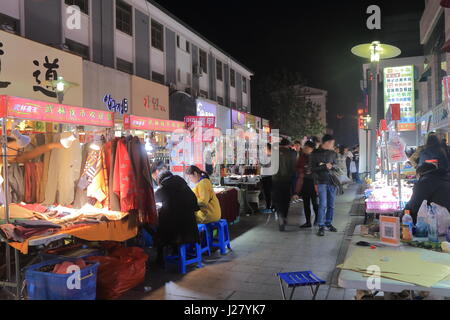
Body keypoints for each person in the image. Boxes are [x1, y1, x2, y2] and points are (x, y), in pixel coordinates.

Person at [154, 171, 200, 265]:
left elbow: (155, 199)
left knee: (159, 231)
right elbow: (195, 205)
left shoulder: (164, 187)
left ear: (161, 180)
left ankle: (160, 260)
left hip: (174, 231)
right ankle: (176, 250)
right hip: (190, 228)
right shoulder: (185, 186)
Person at [310, 134, 338, 236]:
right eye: (332, 143)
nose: (333, 145)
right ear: (327, 143)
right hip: (321, 182)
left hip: (332, 181)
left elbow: (336, 165)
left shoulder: (333, 153)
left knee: (331, 205)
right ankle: (321, 225)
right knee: (323, 204)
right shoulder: (315, 153)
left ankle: (328, 223)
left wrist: (332, 166)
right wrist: (325, 166)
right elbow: (312, 169)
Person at [272, 138, 297, 232]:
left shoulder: (274, 153)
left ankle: (280, 215)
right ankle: (284, 216)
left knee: (277, 200)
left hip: (276, 180)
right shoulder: (291, 154)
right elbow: (294, 168)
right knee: (286, 200)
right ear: (288, 145)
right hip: (287, 180)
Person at [294, 141, 319, 228]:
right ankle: (308, 221)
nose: (304, 149)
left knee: (315, 202)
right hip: (304, 182)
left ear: (311, 149)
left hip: (313, 182)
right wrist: (302, 170)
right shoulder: (302, 157)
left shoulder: (316, 157)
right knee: (306, 203)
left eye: (306, 147)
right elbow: (297, 167)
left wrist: (312, 170)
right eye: (304, 147)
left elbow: (319, 169)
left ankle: (317, 219)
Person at [260, 143, 273, 213]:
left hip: (268, 176)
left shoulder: (270, 156)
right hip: (268, 175)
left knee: (268, 192)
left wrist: (260, 163)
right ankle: (272, 207)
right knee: (269, 192)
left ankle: (269, 207)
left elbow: (266, 165)